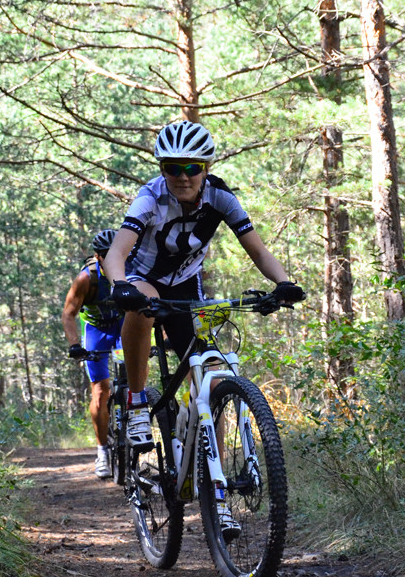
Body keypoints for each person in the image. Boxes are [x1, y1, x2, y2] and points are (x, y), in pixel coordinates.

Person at [103, 120, 305, 458]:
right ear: (162, 170)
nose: (183, 177)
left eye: (192, 168)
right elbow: (116, 253)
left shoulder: (220, 197)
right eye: (173, 168)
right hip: (144, 278)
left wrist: (284, 283)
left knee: (211, 382)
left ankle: (216, 480)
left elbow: (258, 251)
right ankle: (136, 402)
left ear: (206, 168)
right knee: (142, 305)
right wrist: (120, 285)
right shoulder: (150, 197)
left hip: (186, 284)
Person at [62, 228, 124, 479]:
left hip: (123, 326)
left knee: (134, 380)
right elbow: (68, 314)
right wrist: (74, 345)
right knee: (100, 390)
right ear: (98, 257)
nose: (112, 259)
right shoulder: (86, 279)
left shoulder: (131, 270)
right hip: (96, 330)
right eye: (106, 255)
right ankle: (102, 451)